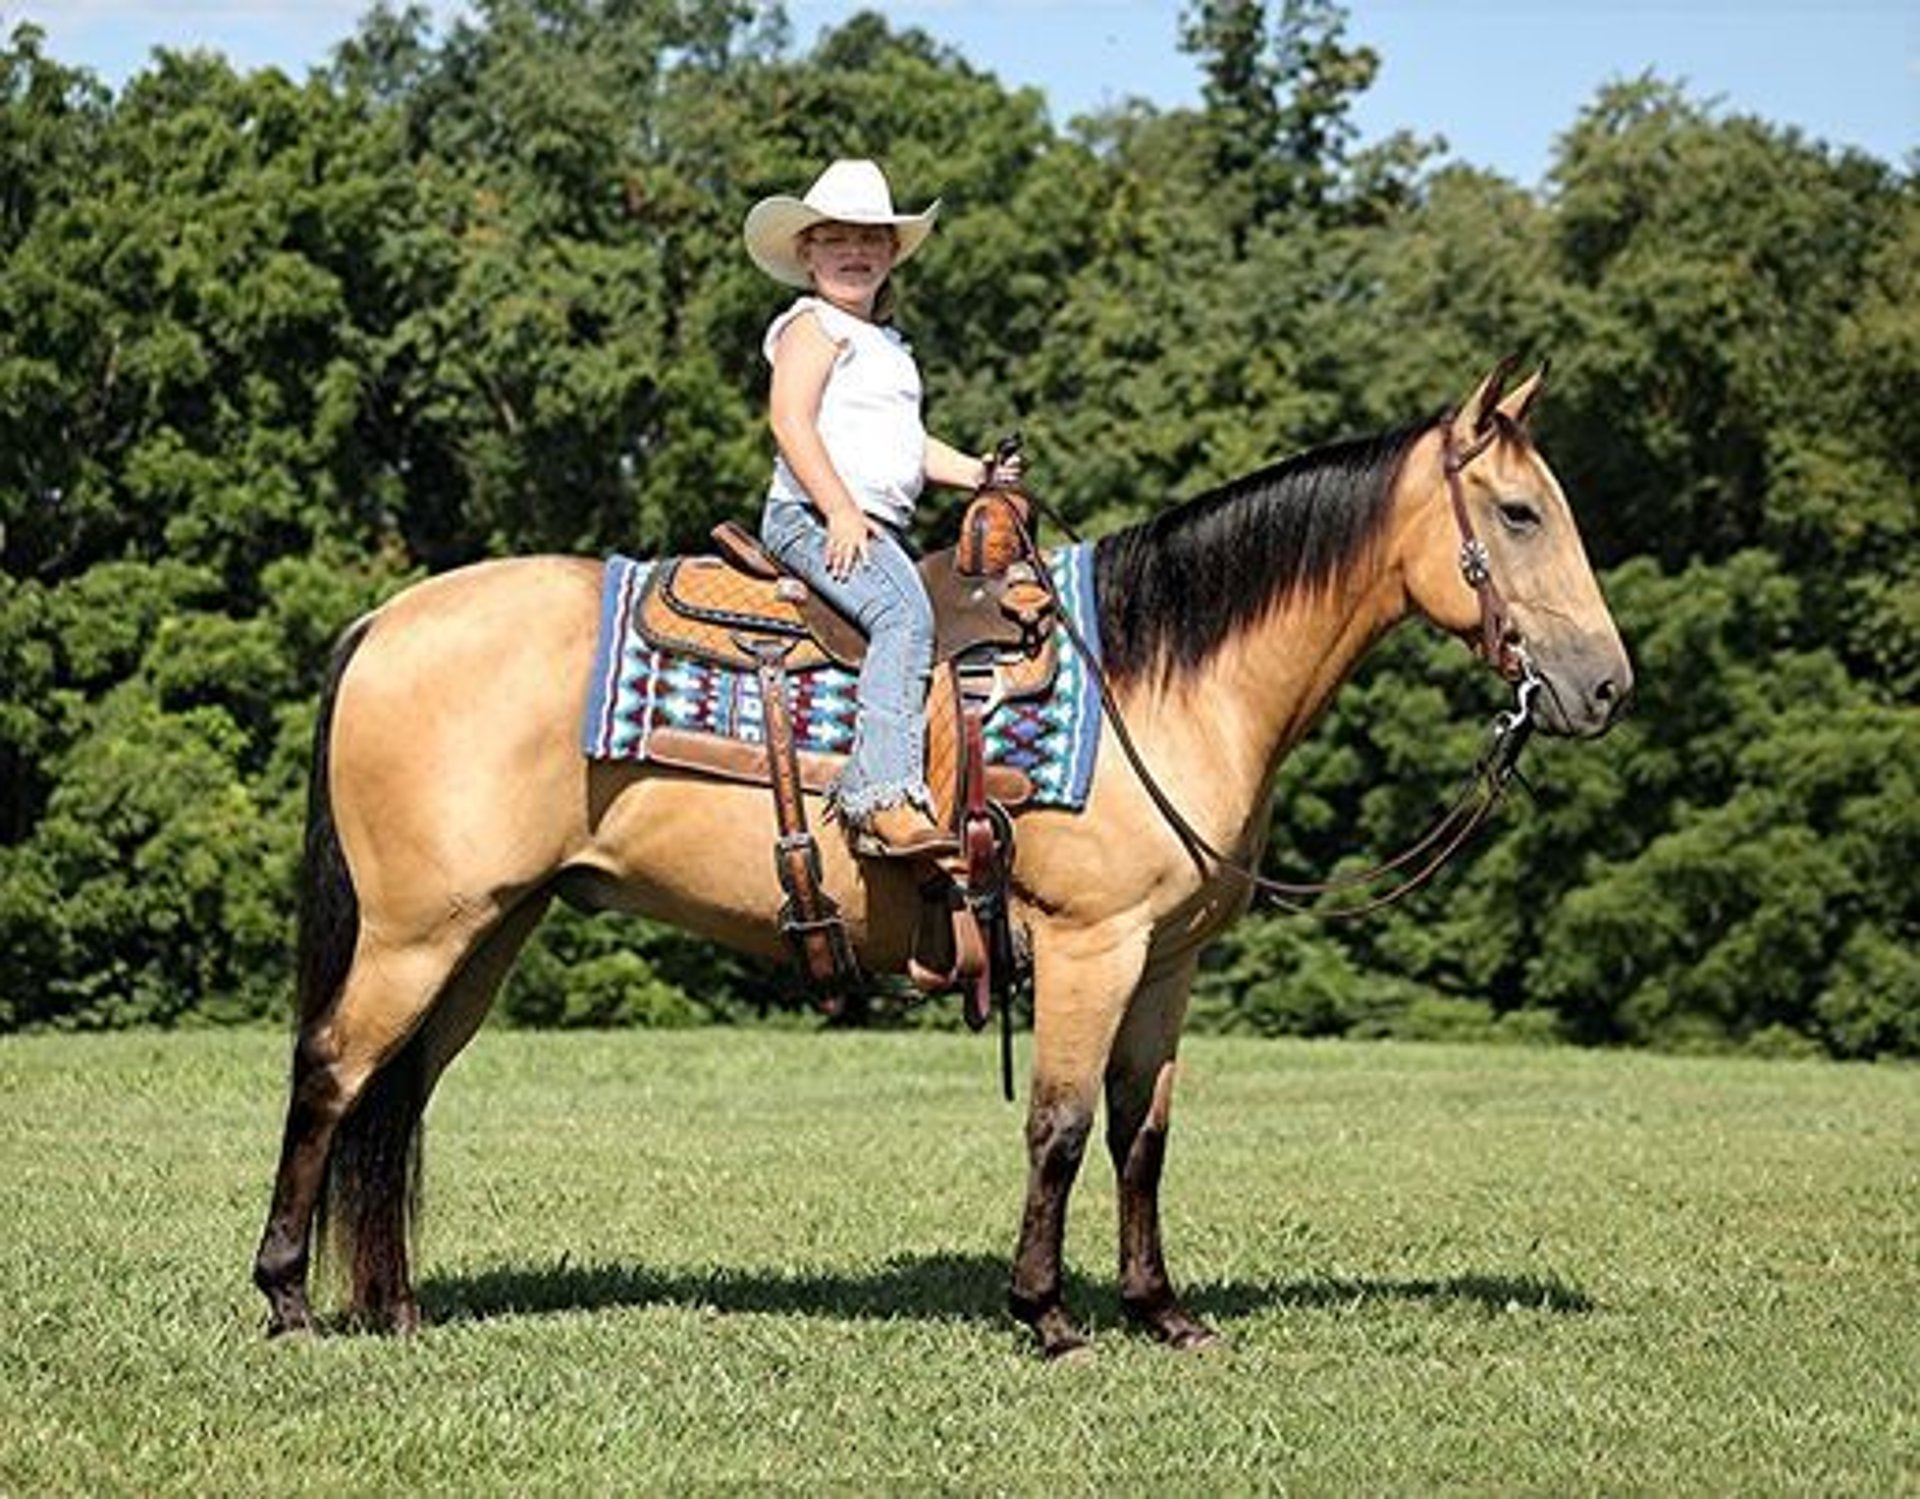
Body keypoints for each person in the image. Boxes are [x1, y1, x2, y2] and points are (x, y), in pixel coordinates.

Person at [744, 158, 1017, 859]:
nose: (854, 253)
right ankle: (881, 795)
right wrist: (837, 509)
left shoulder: (886, 347)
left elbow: (911, 446)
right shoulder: (812, 324)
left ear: (892, 254)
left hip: (873, 523)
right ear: (807, 254)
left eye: (870, 240)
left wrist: (982, 474)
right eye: (836, 239)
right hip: (811, 515)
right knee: (903, 616)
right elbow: (790, 422)